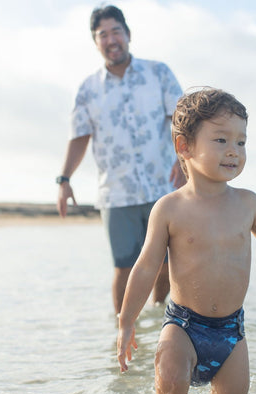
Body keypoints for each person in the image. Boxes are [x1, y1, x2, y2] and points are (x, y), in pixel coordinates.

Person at [117, 87, 256, 394]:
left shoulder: (247, 204)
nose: (234, 151)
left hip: (231, 332)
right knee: (170, 392)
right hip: (183, 327)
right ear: (184, 146)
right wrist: (127, 320)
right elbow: (145, 267)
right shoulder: (170, 209)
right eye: (221, 140)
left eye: (241, 142)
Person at [56, 5, 184, 314]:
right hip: (116, 193)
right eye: (103, 35)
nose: (111, 40)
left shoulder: (158, 72)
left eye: (116, 32)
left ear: (128, 34)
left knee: (167, 262)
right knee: (124, 267)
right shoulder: (87, 89)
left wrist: (184, 162)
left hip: (162, 186)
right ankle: (123, 334)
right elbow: (79, 136)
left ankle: (159, 317)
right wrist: (64, 180)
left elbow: (182, 120)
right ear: (95, 41)